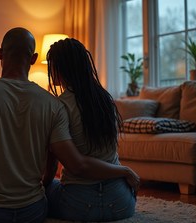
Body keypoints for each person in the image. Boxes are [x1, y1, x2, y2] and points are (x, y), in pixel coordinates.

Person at [0, 28, 139, 223]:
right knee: (47, 188)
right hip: (42, 211)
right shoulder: (77, 102)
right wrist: (123, 171)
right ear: (33, 59)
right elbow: (52, 170)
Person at [44, 38, 137, 222]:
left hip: (78, 205)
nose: (50, 69)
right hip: (121, 203)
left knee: (47, 188)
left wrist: (41, 190)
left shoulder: (58, 106)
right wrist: (124, 171)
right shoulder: (104, 100)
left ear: (61, 66)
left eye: (52, 64)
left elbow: (65, 166)